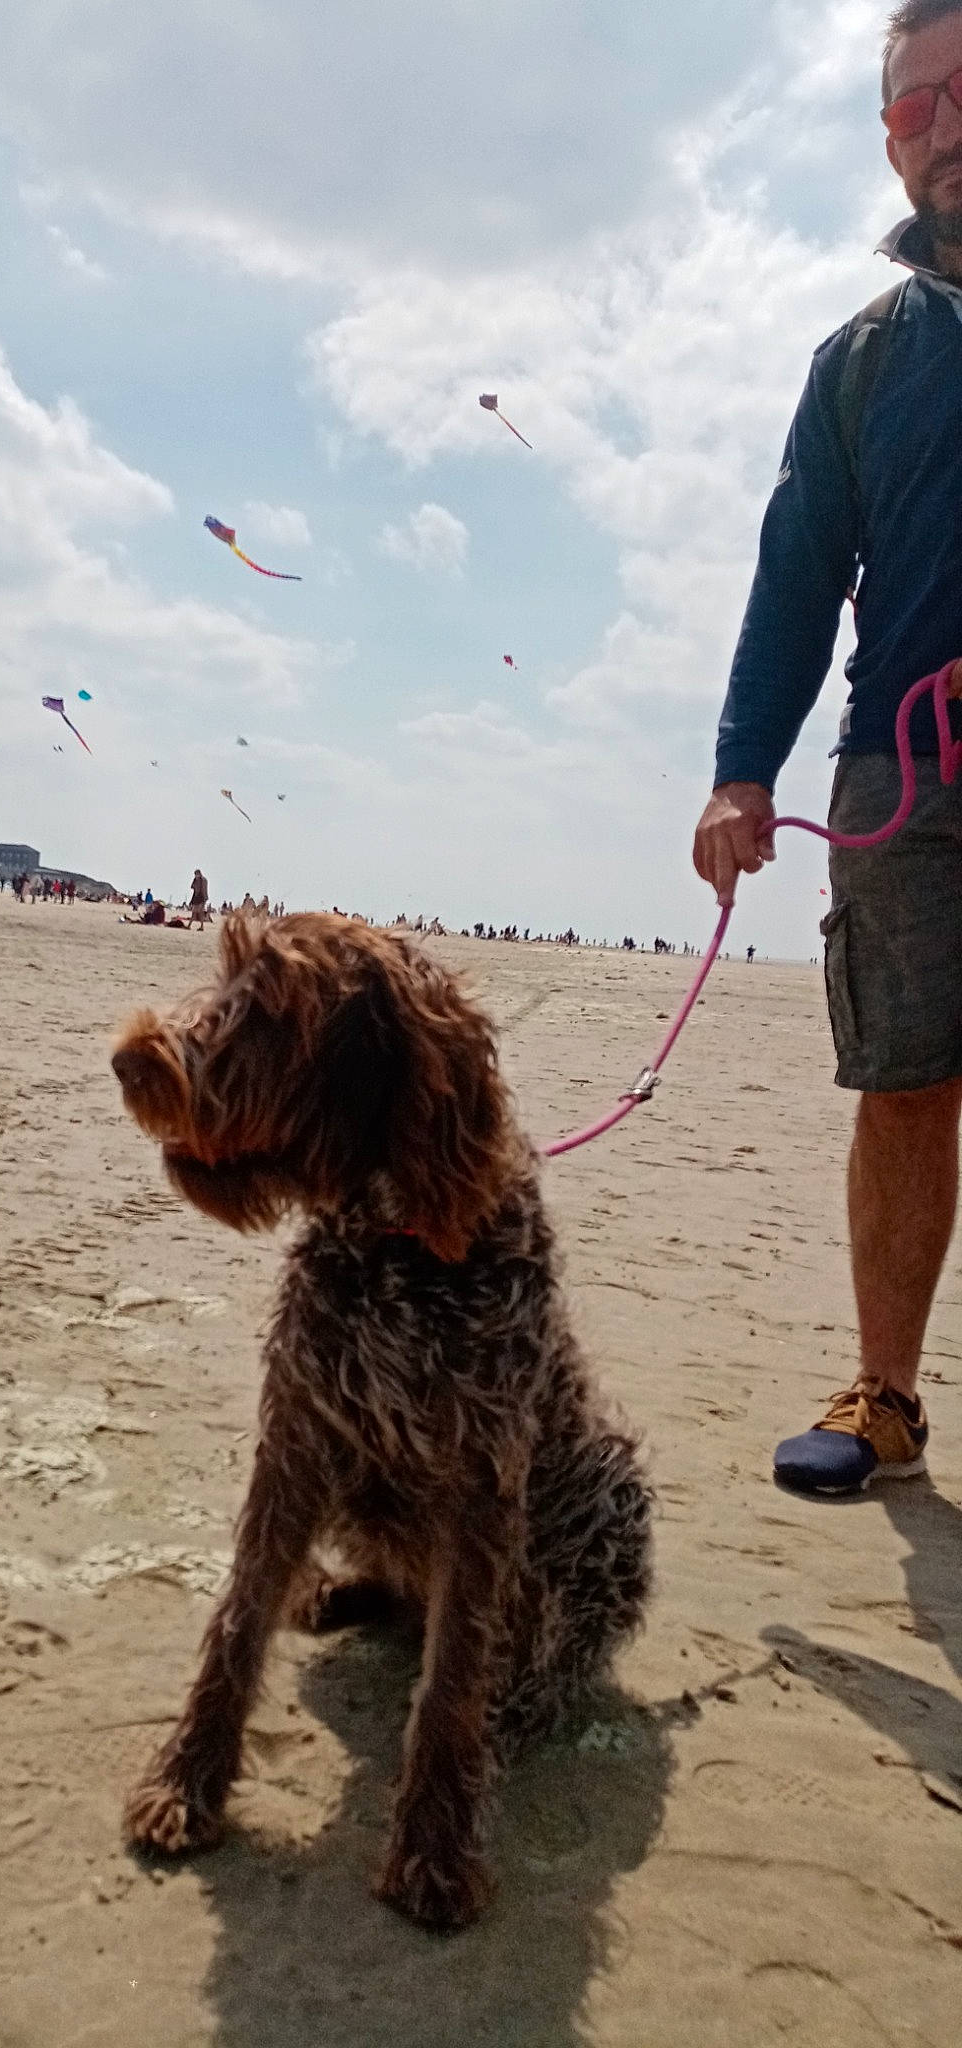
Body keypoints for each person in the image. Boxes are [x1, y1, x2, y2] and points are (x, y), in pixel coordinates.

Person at [692, 0, 962, 1497]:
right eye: (917, 106)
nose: (945, 126)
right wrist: (745, 774)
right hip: (903, 776)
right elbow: (795, 579)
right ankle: (889, 1398)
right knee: (907, 1080)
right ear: (886, 137)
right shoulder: (859, 359)